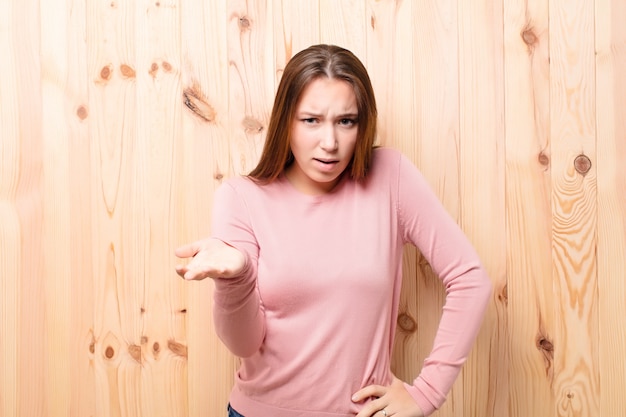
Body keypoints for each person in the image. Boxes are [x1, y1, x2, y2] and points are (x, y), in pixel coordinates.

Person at [175, 44, 492, 417]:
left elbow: (471, 278)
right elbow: (244, 344)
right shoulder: (241, 198)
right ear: (285, 122)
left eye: (346, 121)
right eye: (311, 120)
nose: (330, 143)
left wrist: (426, 393)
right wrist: (236, 279)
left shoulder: (390, 176)